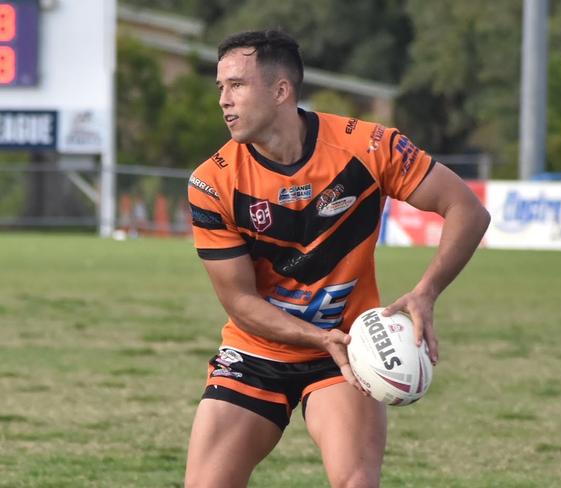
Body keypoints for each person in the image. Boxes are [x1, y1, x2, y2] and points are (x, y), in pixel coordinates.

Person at [184, 29, 490, 488]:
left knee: (356, 483)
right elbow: (240, 303)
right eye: (220, 88)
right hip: (256, 350)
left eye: (237, 85)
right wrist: (315, 335)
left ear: (281, 90)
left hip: (348, 351)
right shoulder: (212, 182)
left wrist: (426, 293)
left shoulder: (368, 147)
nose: (224, 100)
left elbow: (467, 210)